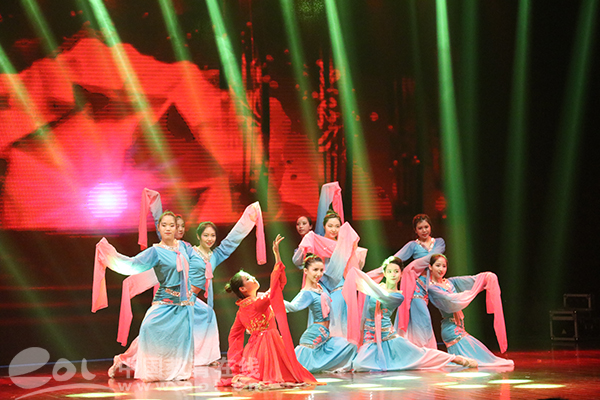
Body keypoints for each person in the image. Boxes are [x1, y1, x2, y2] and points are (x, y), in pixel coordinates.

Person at [115, 189, 266, 367]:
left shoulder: (215, 256)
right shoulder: (188, 250)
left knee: (208, 315)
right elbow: (166, 242)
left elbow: (231, 241)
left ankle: (204, 358)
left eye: (212, 236)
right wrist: (156, 208)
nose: (209, 239)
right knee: (158, 329)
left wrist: (248, 219)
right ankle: (126, 358)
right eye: (206, 235)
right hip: (178, 299)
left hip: (192, 301)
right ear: (198, 236)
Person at [92, 211, 204, 381]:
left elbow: (199, 263)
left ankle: (177, 371)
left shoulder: (184, 247)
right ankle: (131, 362)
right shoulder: (155, 251)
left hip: (184, 304)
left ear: (176, 228)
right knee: (148, 328)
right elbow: (133, 265)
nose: (168, 228)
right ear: (158, 228)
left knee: (179, 339)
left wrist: (193, 288)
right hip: (165, 301)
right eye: (164, 225)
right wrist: (109, 255)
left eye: (171, 225)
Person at [344, 258, 477, 372]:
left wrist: (363, 280)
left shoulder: (398, 296)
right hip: (370, 337)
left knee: (421, 355)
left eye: (396, 271)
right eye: (389, 271)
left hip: (388, 337)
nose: (393, 275)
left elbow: (381, 295)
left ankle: (456, 359)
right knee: (359, 365)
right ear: (384, 273)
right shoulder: (377, 287)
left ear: (401, 274)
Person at [222, 235, 319, 389]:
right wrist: (277, 256)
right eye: (248, 279)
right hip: (268, 346)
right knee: (277, 377)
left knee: (264, 376)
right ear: (243, 289)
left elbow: (233, 335)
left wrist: (235, 360)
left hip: (253, 351)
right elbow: (276, 288)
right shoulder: (257, 304)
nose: (253, 278)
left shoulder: (242, 310)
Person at [426, 254, 514, 367]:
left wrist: (486, 277)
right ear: (430, 267)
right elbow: (450, 300)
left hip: (459, 327)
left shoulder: (450, 282)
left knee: (477, 359)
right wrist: (471, 293)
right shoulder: (432, 288)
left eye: (444, 266)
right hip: (450, 329)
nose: (441, 269)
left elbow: (472, 280)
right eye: (438, 265)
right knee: (473, 361)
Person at [284, 254, 357, 373]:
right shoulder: (307, 293)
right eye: (315, 270)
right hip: (314, 336)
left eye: (321, 270)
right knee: (300, 368)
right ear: (306, 271)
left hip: (325, 335)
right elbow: (293, 306)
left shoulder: (319, 288)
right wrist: (273, 299)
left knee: (350, 346)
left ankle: (329, 369)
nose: (319, 274)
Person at [393, 214, 446, 349]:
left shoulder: (439, 242)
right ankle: (424, 349)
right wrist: (381, 269)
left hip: (434, 285)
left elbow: (432, 258)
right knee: (423, 318)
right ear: (415, 230)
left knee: (449, 312)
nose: (424, 230)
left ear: (430, 227)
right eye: (420, 228)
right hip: (417, 286)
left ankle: (415, 349)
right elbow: (395, 259)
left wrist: (413, 265)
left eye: (426, 227)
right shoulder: (413, 245)